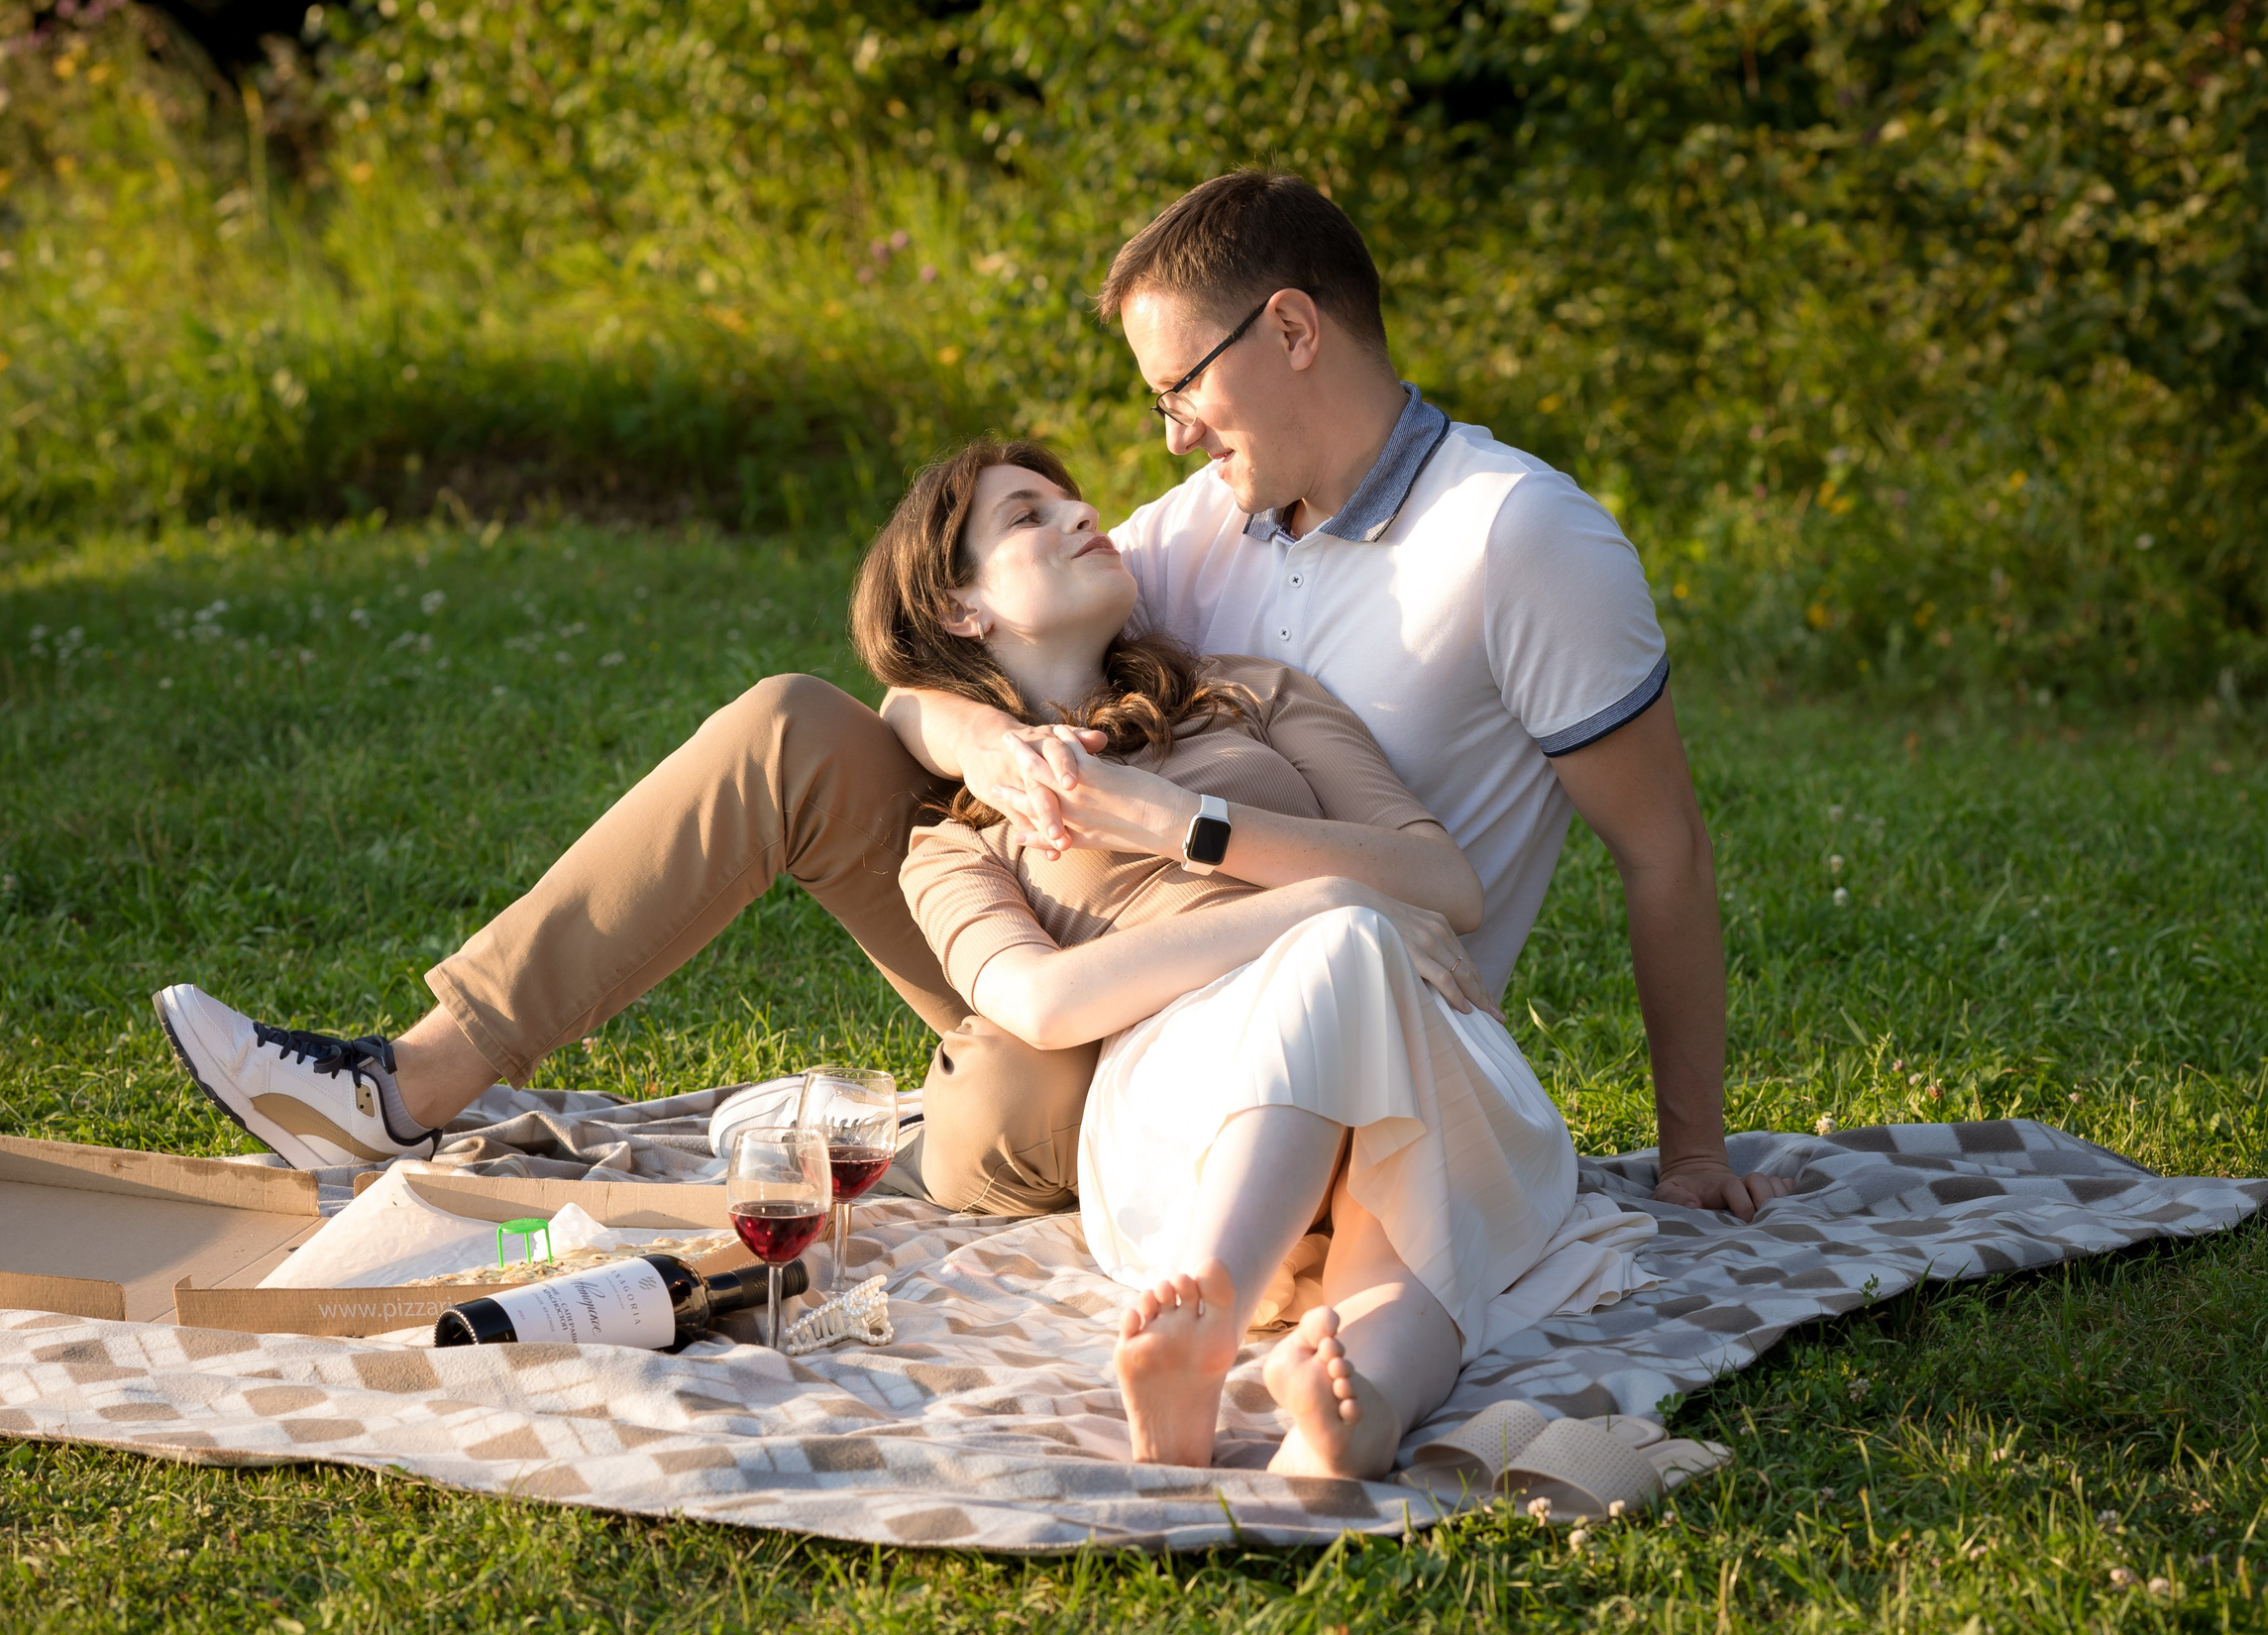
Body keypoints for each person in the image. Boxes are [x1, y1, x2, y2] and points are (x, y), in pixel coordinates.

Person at [154, 167, 1784, 1227]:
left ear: (1288, 330)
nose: (1163, 442)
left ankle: (929, 1141)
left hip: (1316, 1011)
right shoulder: (1207, 525)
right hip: (1069, 958)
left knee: (1012, 1079)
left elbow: (1666, 855)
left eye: (1182, 388)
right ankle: (405, 1083)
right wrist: (981, 738)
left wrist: (1694, 1154)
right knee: (796, 724)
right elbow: (937, 657)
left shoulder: (1517, 541)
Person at [864, 437, 1655, 1476]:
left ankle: (1328, 1396)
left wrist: (1182, 819)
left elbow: (1443, 885)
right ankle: (1260, 1328)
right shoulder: (958, 835)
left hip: (1406, 1032)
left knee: (1369, 1009)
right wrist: (1316, 903)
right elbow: (1044, 1005)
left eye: (1068, 496)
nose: (1078, 513)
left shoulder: (1248, 694)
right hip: (1182, 1119)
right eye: (1025, 516)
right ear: (961, 609)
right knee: (1346, 949)